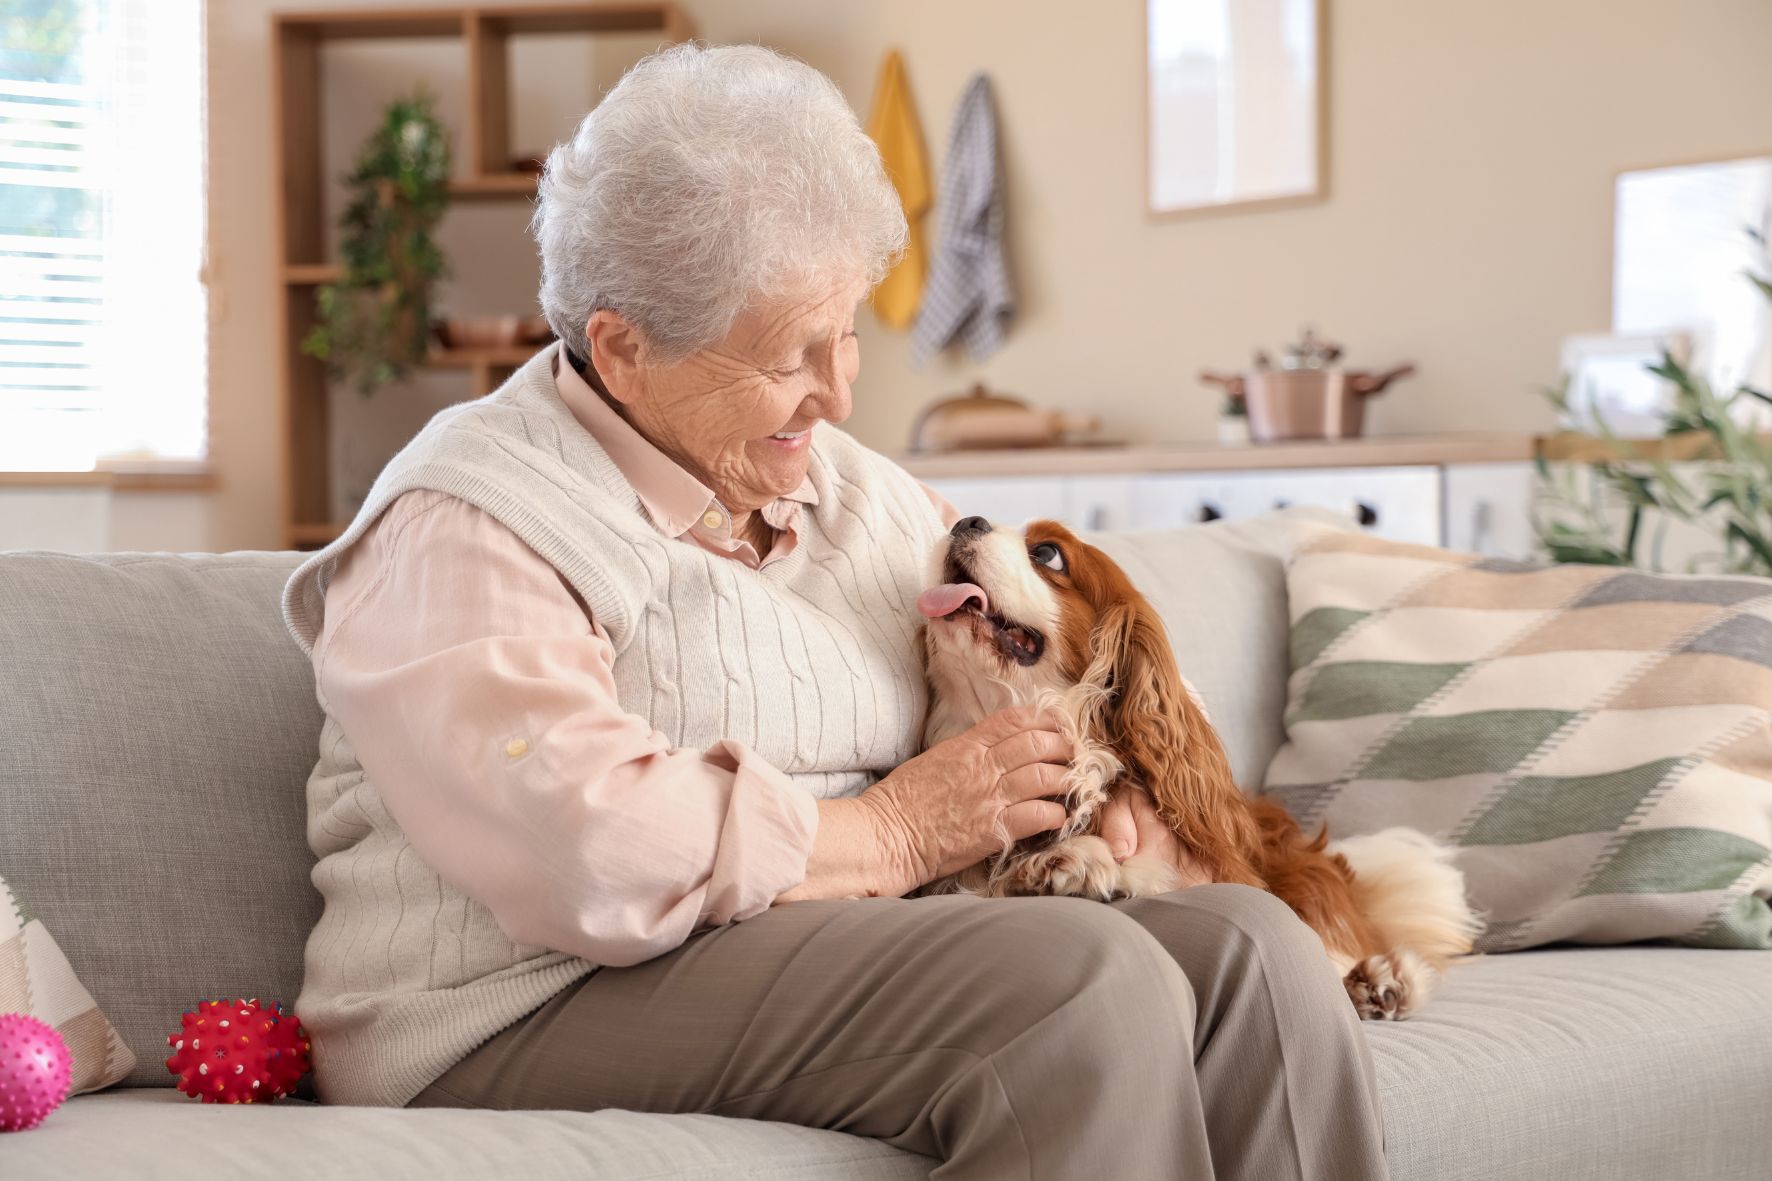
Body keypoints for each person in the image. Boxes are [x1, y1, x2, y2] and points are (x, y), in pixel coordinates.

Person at [281, 43, 1387, 1179]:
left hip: (806, 934)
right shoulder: (469, 520)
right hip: (517, 995)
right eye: (787, 355)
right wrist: (892, 832)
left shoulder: (840, 484)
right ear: (621, 348)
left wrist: (1144, 816)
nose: (840, 389)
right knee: (1078, 985)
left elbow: (1063, 636)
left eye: (844, 331)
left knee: (1256, 948)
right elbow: (589, 846)